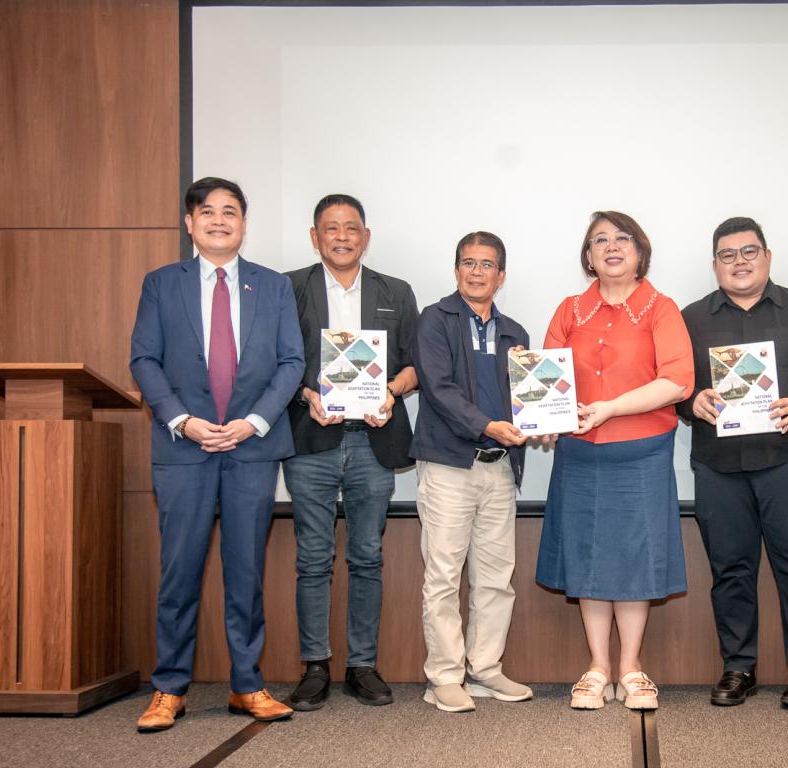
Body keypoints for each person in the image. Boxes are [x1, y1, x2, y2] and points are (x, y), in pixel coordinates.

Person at [129, 177, 304, 731]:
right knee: (179, 571)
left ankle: (247, 685)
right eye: (208, 212)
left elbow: (291, 362)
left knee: (246, 572)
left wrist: (254, 423)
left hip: (252, 448)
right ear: (190, 223)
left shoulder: (273, 286)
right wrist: (182, 420)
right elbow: (144, 359)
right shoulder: (162, 284)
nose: (220, 220)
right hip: (185, 448)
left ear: (244, 224)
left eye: (231, 211)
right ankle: (168, 688)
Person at [678, 216, 788, 710]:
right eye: (728, 255)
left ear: (767, 257)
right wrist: (691, 402)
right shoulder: (691, 318)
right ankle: (738, 667)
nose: (740, 262)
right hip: (719, 465)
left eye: (749, 251)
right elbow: (673, 382)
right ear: (715, 265)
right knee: (730, 569)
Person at [536, 211, 694, 711]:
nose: (611, 247)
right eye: (599, 240)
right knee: (587, 558)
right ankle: (597, 667)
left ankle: (630, 668)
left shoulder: (661, 309)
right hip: (580, 455)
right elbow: (547, 382)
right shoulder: (569, 310)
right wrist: (542, 413)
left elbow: (677, 382)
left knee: (634, 558)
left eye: (622, 238)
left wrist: (611, 407)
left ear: (639, 251)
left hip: (641, 453)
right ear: (588, 256)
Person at [282, 194, 419, 711]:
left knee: (367, 557)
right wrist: (306, 394)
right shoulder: (288, 288)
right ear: (314, 236)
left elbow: (415, 365)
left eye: (351, 228)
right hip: (310, 439)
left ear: (366, 236)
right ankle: (315, 666)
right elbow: (275, 359)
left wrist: (392, 392)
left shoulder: (395, 291)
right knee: (312, 559)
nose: (342, 237)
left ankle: (362, 666)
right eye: (331, 228)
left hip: (373, 440)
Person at [409, 231, 533, 713]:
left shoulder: (515, 333)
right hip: (448, 467)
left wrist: (538, 422)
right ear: (456, 269)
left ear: (501, 276)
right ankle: (443, 676)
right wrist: (487, 425)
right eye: (468, 263)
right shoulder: (434, 320)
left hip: (498, 468)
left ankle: (484, 669)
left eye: (487, 265)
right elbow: (438, 389)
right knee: (443, 576)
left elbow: (526, 397)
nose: (477, 272)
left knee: (496, 577)